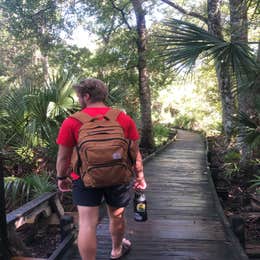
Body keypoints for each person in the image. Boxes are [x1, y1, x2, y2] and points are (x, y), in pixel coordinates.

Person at [56, 78, 147, 260]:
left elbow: (64, 157)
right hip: (118, 176)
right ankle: (116, 250)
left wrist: (61, 177)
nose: (78, 100)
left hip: (84, 177)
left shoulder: (72, 122)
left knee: (87, 224)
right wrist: (140, 176)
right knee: (117, 216)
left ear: (86, 96)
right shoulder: (123, 119)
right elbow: (134, 153)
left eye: (79, 97)